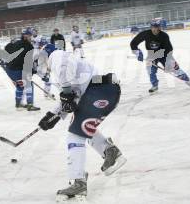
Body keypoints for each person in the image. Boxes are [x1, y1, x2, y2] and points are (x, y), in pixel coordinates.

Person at [37, 44, 126, 201]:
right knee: (82, 127)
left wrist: (65, 94)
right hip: (103, 91)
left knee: (74, 135)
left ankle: (78, 182)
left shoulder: (58, 56)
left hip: (100, 92)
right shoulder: (66, 69)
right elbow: (70, 100)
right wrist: (51, 117)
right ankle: (110, 151)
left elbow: (68, 94)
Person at [130, 19, 190, 93]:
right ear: (151, 27)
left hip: (164, 54)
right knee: (150, 70)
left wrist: (168, 63)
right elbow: (133, 43)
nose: (155, 29)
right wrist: (137, 52)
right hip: (151, 55)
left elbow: (169, 49)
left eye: (157, 27)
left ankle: (188, 81)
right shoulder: (145, 34)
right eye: (153, 27)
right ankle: (154, 85)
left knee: (175, 69)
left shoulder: (164, 36)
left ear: (160, 27)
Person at [3, 28, 40, 111]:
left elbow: (7, 48)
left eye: (30, 35)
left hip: (9, 69)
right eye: (29, 35)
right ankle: (30, 104)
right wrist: (32, 70)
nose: (30, 37)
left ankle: (18, 103)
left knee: (20, 86)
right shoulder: (29, 46)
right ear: (25, 35)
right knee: (29, 85)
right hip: (17, 70)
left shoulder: (17, 42)